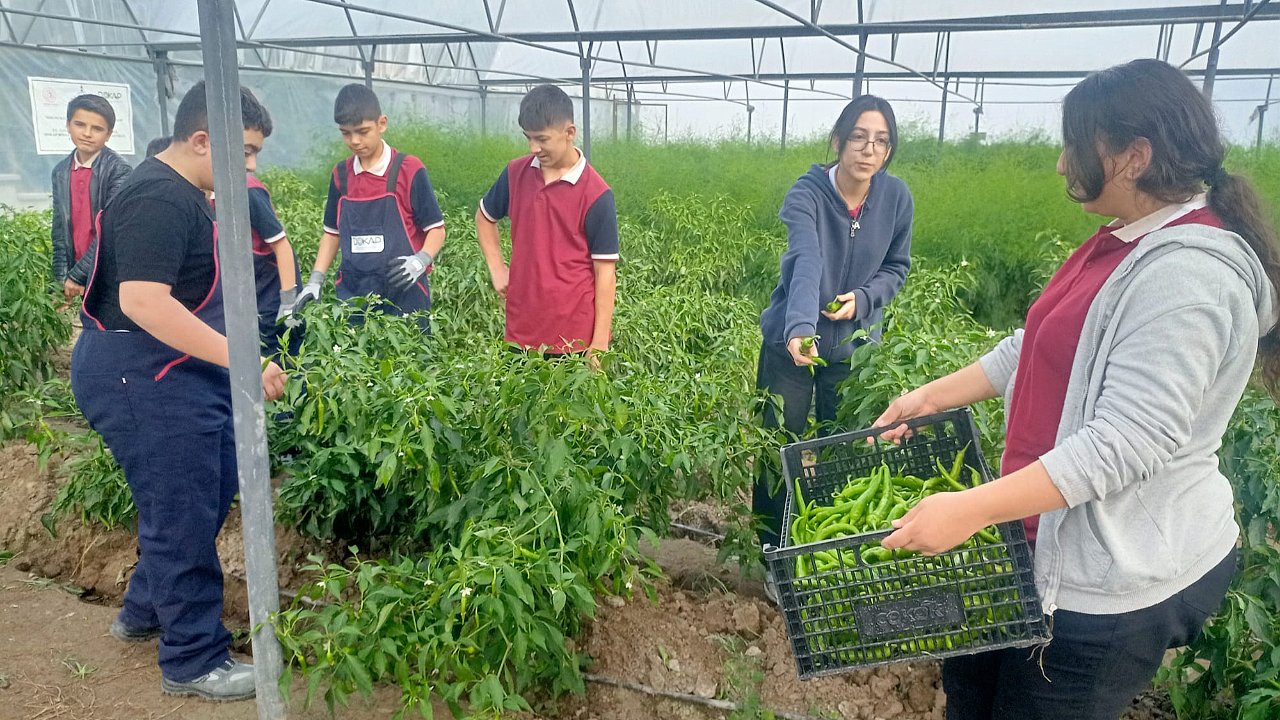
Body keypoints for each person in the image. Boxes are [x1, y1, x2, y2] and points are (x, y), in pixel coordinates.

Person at [875, 59, 1280, 720]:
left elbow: (1126, 443)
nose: (1062, 163)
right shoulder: (1120, 241)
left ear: (1133, 157)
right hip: (1035, 538)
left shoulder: (1187, 280)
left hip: (1108, 580)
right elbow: (1036, 341)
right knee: (972, 694)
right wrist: (933, 395)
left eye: (1074, 145)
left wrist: (972, 508)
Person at [70, 82, 287, 702]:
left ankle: (143, 611)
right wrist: (243, 361)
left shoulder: (185, 193)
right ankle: (192, 658)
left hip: (176, 371)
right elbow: (142, 302)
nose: (250, 167)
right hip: (139, 375)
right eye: (244, 152)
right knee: (182, 511)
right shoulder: (159, 197)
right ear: (201, 140)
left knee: (208, 487)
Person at [754, 95, 913, 557]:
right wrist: (800, 324)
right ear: (839, 141)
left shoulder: (895, 198)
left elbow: (896, 267)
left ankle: (825, 545)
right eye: (860, 137)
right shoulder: (807, 194)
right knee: (779, 444)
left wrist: (863, 300)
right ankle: (772, 549)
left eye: (881, 141)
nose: (869, 149)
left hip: (854, 348)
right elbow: (808, 258)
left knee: (840, 448)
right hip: (791, 345)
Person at [474, 84, 619, 365]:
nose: (533, 148)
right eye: (528, 138)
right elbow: (484, 218)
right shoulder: (516, 173)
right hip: (521, 329)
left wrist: (599, 342)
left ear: (569, 133)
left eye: (542, 139)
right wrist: (497, 267)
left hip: (572, 336)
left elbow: (605, 273)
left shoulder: (596, 194)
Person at [292, 84, 444, 333]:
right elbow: (332, 233)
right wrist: (315, 281)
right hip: (354, 295)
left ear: (381, 123)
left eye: (363, 131)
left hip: (405, 292)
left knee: (410, 365)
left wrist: (420, 260)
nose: (354, 141)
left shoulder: (409, 169)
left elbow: (436, 229)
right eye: (346, 133)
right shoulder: (341, 175)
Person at [206, 93, 301, 356]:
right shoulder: (200, 196)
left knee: (280, 361)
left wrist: (288, 299)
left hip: (270, 298)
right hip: (243, 300)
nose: (252, 165)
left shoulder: (248, 191)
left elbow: (282, 246)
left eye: (254, 153)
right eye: (246, 153)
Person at [50, 94, 131, 303]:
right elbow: (59, 232)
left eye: (97, 128)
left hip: (108, 273)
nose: (87, 134)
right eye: (79, 124)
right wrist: (61, 280)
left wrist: (78, 275)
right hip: (78, 274)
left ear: (109, 134)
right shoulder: (61, 172)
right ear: (68, 125)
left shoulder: (118, 170)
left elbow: (110, 230)